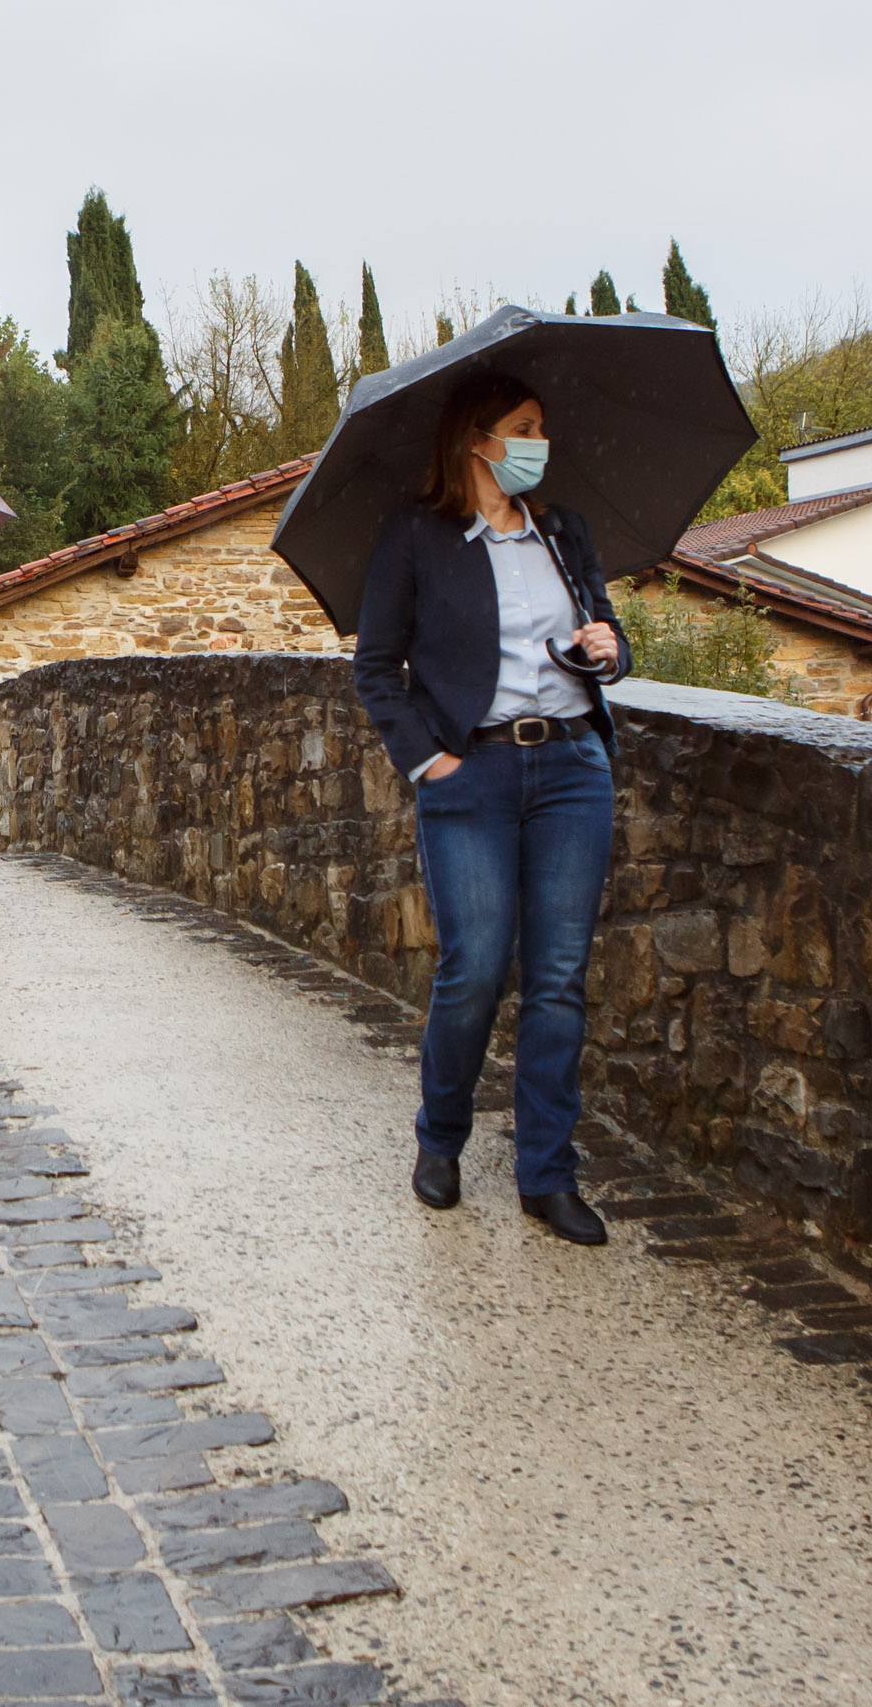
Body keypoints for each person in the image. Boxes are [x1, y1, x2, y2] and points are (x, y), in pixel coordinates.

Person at [351, 373, 630, 1244]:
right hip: (470, 774)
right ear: (477, 441)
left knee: (558, 977)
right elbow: (375, 668)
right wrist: (429, 761)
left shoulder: (562, 532)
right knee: (473, 967)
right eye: (524, 427)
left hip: (572, 767)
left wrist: (607, 647)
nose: (538, 443)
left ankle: (547, 1175)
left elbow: (609, 644)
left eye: (540, 428)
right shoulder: (416, 535)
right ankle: (440, 1139)